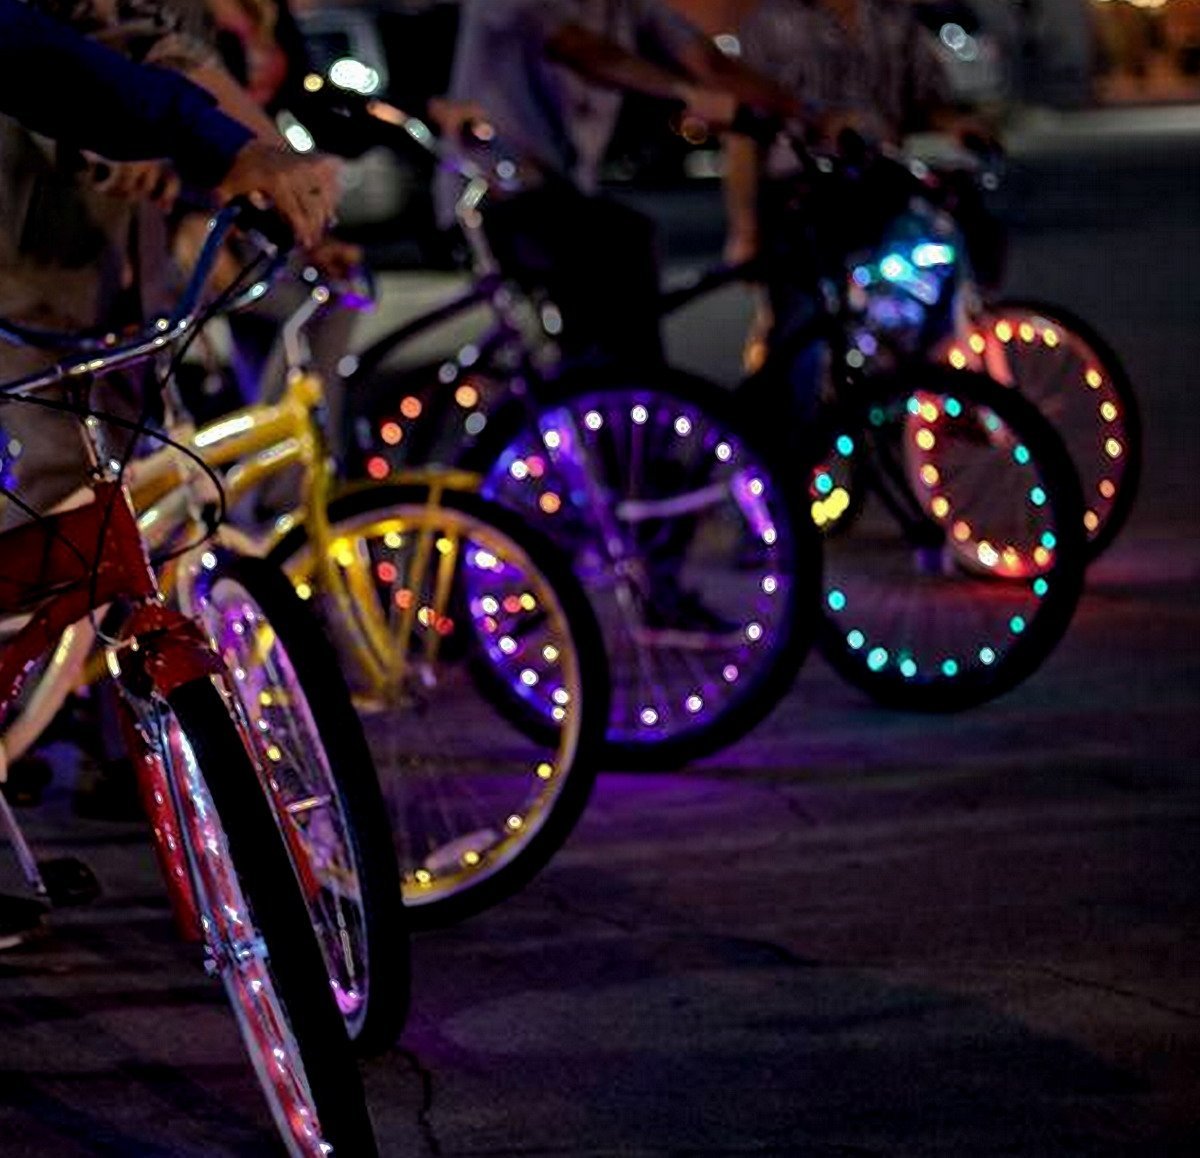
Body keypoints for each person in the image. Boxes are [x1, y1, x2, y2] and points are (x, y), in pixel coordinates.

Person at [0, 0, 342, 950]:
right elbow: (69, 60)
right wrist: (233, 149)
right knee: (41, 513)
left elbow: (154, 62)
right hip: (32, 281)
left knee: (99, 522)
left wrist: (256, 166)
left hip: (107, 287)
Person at [434, 0, 803, 367]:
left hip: (562, 196)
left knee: (613, 296)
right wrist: (685, 93)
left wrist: (811, 114)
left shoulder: (629, 7)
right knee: (623, 249)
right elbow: (580, 50)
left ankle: (619, 400)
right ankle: (629, 403)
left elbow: (709, 63)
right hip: (490, 194)